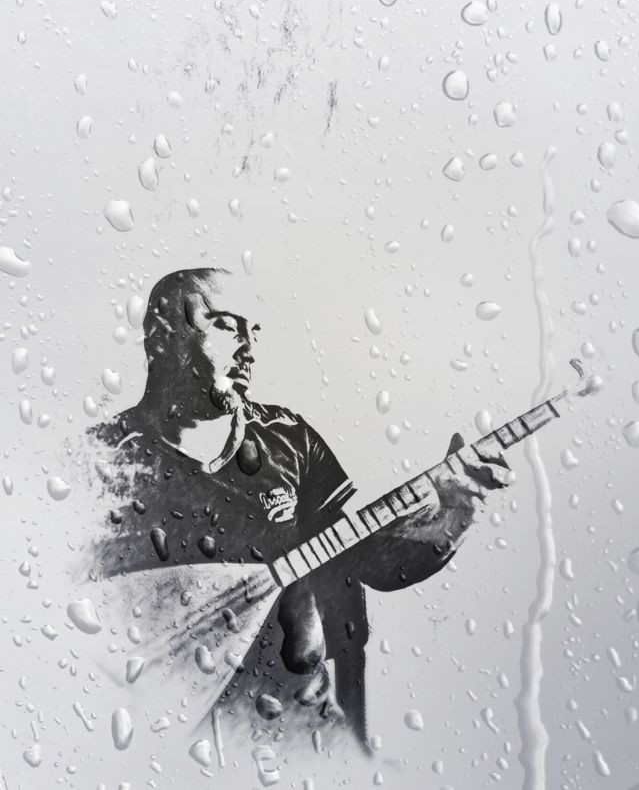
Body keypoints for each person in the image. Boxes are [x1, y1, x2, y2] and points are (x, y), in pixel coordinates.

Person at [87, 267, 513, 755]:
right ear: (164, 336)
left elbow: (364, 563)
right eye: (227, 325)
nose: (248, 347)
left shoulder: (288, 438)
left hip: (289, 723)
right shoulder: (99, 464)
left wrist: (455, 509)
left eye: (253, 331)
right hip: (159, 732)